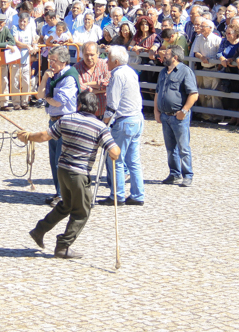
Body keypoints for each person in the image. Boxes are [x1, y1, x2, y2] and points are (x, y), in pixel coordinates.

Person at [19, 91, 120, 259]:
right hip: (79, 174)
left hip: (63, 171)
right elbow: (115, 151)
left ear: (79, 105)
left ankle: (39, 230)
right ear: (96, 108)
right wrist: (114, 153)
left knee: (66, 205)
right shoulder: (100, 127)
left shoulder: (66, 119)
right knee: (82, 212)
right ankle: (63, 246)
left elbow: (45, 136)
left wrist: (28, 136)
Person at [99, 45, 146, 205]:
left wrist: (104, 122)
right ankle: (138, 194)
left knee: (116, 159)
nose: (106, 62)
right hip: (137, 118)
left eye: (109, 59)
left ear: (116, 61)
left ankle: (117, 195)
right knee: (133, 160)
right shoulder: (131, 71)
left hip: (125, 120)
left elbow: (112, 103)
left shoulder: (118, 75)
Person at [36, 46, 80, 207]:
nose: (50, 63)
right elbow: (39, 94)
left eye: (53, 60)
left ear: (62, 61)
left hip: (66, 121)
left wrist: (46, 97)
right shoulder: (53, 75)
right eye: (49, 59)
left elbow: (58, 101)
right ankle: (58, 192)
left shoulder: (69, 77)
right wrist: (44, 79)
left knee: (61, 161)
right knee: (53, 159)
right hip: (53, 121)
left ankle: (64, 196)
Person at [155, 45, 199, 185]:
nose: (163, 56)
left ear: (175, 57)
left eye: (166, 54)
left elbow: (194, 94)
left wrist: (184, 111)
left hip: (179, 116)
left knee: (183, 147)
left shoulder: (185, 72)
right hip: (165, 115)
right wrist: (156, 111)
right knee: (170, 148)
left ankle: (188, 175)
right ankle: (174, 173)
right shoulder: (163, 72)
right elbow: (157, 92)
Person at [74, 41, 110, 120]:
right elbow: (81, 88)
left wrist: (87, 84)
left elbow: (108, 84)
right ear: (82, 54)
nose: (89, 58)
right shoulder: (77, 68)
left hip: (103, 113)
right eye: (86, 55)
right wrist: (102, 89)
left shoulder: (105, 65)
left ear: (98, 53)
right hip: (84, 115)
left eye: (92, 55)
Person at [0, 13, 17, 111]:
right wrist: (5, 46)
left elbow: (12, 41)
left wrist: (0, 47)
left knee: (4, 81)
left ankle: (4, 103)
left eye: (1, 22)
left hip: (2, 60)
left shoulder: (6, 30)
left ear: (5, 23)